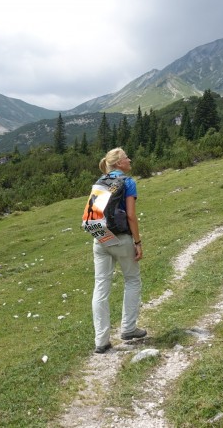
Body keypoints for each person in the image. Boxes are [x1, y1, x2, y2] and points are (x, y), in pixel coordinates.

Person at [91, 147, 146, 354]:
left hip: (100, 239)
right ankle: (129, 329)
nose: (129, 159)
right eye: (126, 157)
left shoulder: (100, 182)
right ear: (118, 163)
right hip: (122, 239)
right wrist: (138, 242)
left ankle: (101, 341)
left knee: (101, 286)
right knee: (132, 279)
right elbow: (131, 216)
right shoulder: (128, 182)